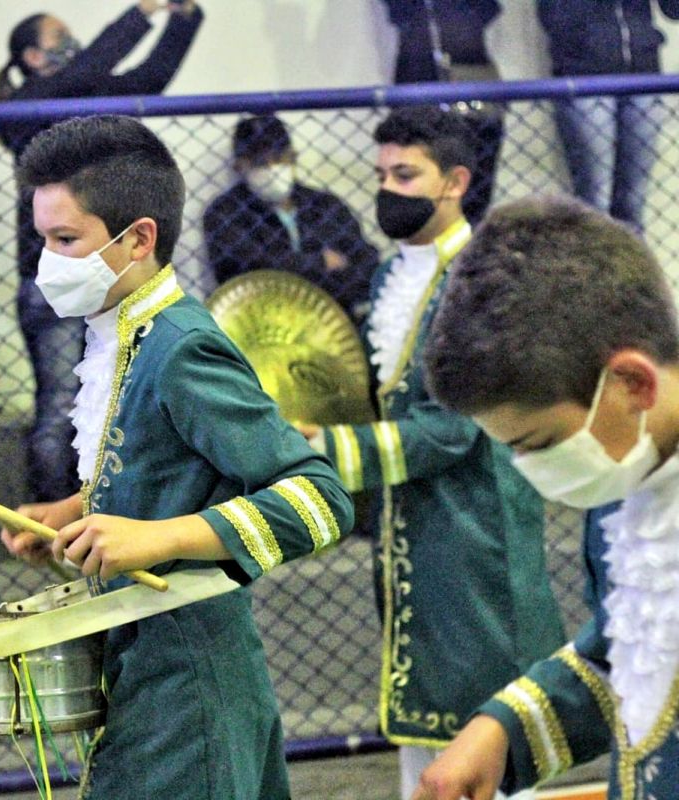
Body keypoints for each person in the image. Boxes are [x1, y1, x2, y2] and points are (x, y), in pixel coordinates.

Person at [0, 114, 354, 799]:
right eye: (42, 239)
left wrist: (156, 537)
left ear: (139, 239)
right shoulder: (121, 335)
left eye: (66, 239)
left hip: (192, 684)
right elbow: (168, 471)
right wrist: (76, 514)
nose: (48, 259)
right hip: (143, 671)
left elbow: (319, 498)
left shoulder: (181, 346)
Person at [295, 107, 565, 800]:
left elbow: (452, 430)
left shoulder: (486, 280)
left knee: (488, 729)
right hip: (409, 520)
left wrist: (330, 447)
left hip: (478, 527)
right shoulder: (390, 276)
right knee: (423, 732)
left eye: (405, 174)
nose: (387, 187)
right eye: (381, 173)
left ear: (456, 182)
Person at [415, 195, 679, 800]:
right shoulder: (627, 479)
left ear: (633, 382)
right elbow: (631, 650)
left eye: (540, 442)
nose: (529, 469)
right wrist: (501, 730)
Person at [0, 1, 203, 504]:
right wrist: (141, 12)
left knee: (122, 401)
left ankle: (111, 510)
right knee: (60, 406)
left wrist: (183, 16)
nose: (74, 47)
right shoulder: (29, 102)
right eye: (59, 38)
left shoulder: (83, 96)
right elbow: (88, 67)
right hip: (60, 284)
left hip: (112, 273)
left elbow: (150, 76)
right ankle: (50, 517)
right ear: (32, 57)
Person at [202, 114, 380, 327]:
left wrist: (287, 271)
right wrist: (320, 263)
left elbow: (367, 266)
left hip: (332, 328)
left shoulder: (325, 206)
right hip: (258, 331)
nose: (272, 167)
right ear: (240, 166)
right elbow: (246, 273)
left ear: (293, 157)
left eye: (279, 157)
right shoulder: (225, 213)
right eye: (260, 162)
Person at [537, 0, 679, 232]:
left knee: (633, 202)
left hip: (644, 75)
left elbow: (673, 10)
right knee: (594, 201)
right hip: (585, 79)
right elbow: (553, 17)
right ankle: (595, 265)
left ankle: (632, 267)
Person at [382, 0, 505, 223]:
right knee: (418, 194)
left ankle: (469, 244)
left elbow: (488, 11)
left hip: (470, 83)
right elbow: (399, 11)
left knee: (473, 192)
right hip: (418, 85)